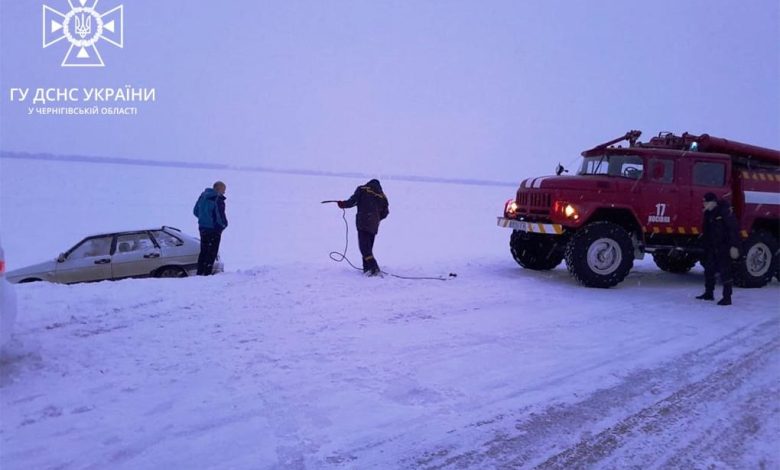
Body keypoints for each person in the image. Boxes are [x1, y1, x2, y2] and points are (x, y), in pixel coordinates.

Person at [338, 179, 389, 276]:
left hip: (363, 222)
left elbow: (352, 202)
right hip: (374, 224)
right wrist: (376, 218)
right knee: (367, 247)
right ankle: (367, 269)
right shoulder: (382, 196)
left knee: (364, 248)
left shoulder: (362, 189)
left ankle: (375, 269)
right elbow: (385, 213)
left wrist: (342, 204)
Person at [696, 192, 740, 306]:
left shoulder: (724, 212)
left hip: (723, 246)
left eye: (705, 201)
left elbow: (733, 229)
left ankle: (727, 297)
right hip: (711, 246)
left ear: (713, 202)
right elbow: (706, 230)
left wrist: (734, 246)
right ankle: (709, 293)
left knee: (725, 272)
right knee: (708, 270)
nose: (704, 204)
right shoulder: (708, 213)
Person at [193, 181, 228, 275]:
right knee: (212, 253)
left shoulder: (202, 197)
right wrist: (223, 225)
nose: (224, 193)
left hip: (202, 227)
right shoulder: (217, 199)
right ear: (218, 189)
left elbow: (196, 211)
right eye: (223, 191)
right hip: (214, 230)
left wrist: (204, 219)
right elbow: (220, 216)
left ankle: (200, 273)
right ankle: (207, 274)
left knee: (204, 251)